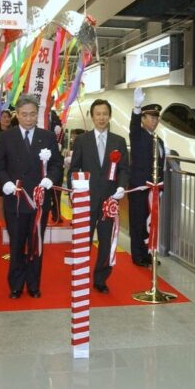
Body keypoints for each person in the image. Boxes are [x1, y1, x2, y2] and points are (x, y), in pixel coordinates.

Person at [0, 94, 63, 299]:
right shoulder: (7, 137)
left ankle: (33, 284)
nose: (28, 119)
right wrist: (5, 182)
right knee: (16, 244)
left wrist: (51, 179)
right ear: (17, 114)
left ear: (37, 114)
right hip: (15, 201)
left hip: (39, 201)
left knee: (36, 245)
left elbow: (57, 165)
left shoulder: (48, 137)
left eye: (32, 114)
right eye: (24, 114)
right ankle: (15, 285)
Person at [68, 99, 129, 294]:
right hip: (87, 198)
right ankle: (81, 274)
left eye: (105, 114)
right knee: (83, 239)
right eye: (98, 114)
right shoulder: (82, 141)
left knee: (105, 240)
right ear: (92, 116)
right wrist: (74, 191)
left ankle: (101, 278)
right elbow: (74, 168)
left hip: (109, 200)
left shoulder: (118, 141)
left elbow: (124, 169)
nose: (101, 117)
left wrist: (121, 187)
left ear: (109, 116)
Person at [128, 88, 165, 267]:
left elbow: (161, 165)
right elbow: (133, 126)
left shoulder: (159, 141)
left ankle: (148, 252)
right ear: (142, 119)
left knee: (151, 222)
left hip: (154, 189)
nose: (155, 121)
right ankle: (138, 255)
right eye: (151, 117)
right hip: (139, 187)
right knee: (138, 222)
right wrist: (137, 107)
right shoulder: (137, 135)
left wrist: (162, 187)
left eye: (157, 118)